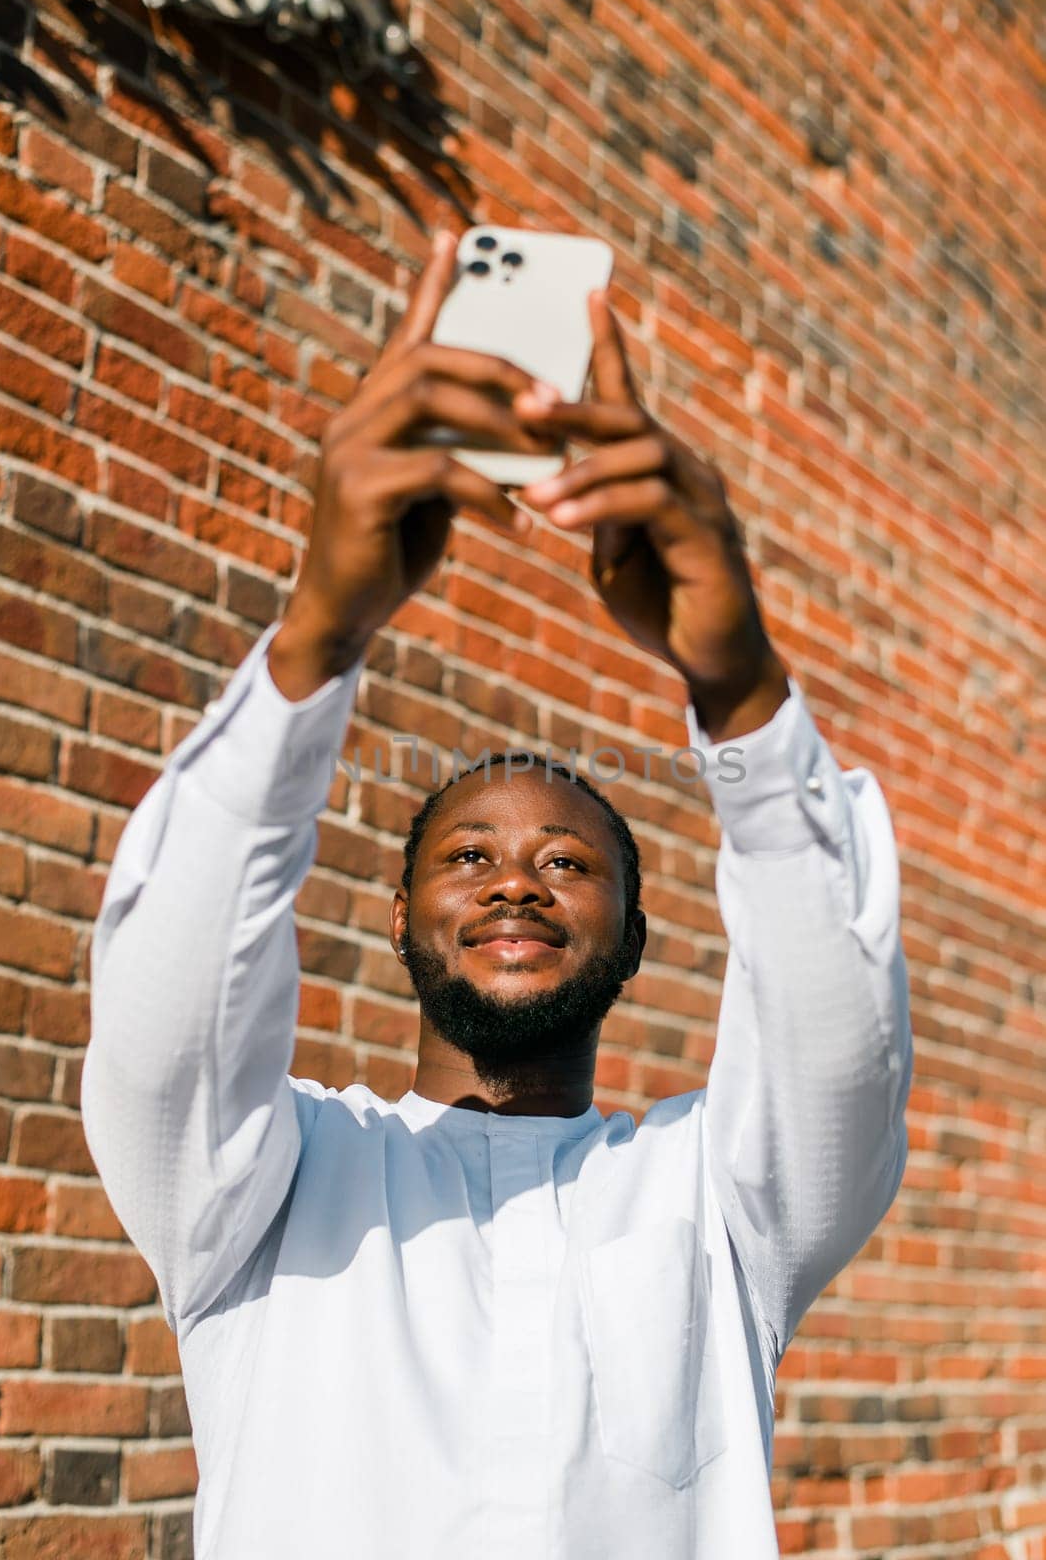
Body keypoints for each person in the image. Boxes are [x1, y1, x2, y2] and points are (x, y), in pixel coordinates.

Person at [81, 228, 913, 1559]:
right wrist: (320, 635)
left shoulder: (717, 1201)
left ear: (636, 940)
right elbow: (166, 999)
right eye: (467, 856)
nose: (518, 879)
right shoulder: (259, 1183)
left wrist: (741, 688)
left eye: (570, 862)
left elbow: (841, 1044)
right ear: (397, 918)